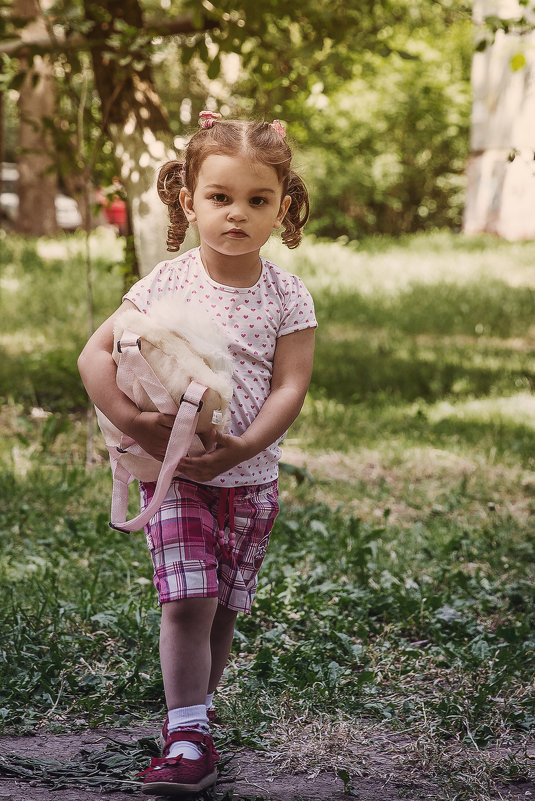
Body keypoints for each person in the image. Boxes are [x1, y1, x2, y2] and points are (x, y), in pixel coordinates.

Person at [78, 111, 317, 796]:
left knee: (221, 608)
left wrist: (243, 445)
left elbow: (290, 385)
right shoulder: (166, 284)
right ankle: (183, 733)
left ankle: (197, 718)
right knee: (187, 601)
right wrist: (134, 422)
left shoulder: (286, 295)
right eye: (219, 197)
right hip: (174, 473)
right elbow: (93, 354)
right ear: (188, 199)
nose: (236, 213)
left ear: (282, 208)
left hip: (250, 478)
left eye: (256, 199)